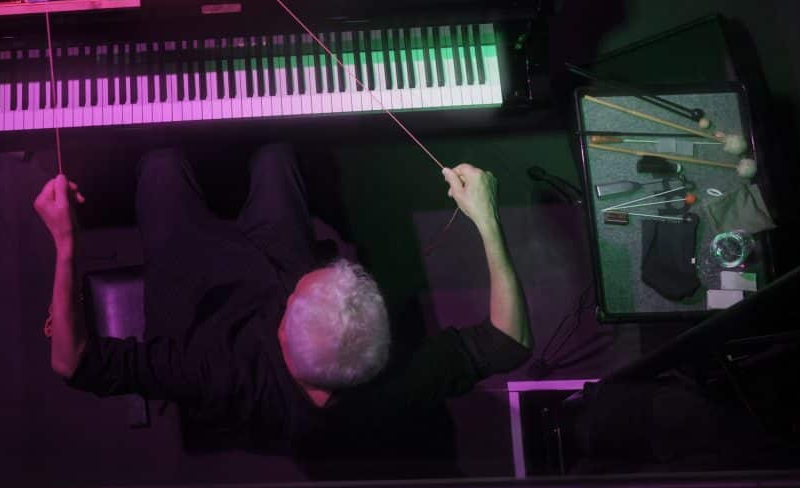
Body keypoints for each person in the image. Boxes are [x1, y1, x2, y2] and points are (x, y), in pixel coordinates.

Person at [33, 144, 533, 454]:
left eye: (296, 296)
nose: (302, 284)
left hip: (198, 293)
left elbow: (71, 362)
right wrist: (487, 219)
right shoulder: (388, 383)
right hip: (278, 259)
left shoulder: (213, 371)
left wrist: (65, 243)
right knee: (275, 156)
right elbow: (510, 341)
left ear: (283, 332)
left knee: (161, 165)